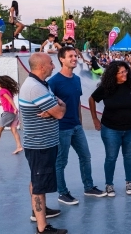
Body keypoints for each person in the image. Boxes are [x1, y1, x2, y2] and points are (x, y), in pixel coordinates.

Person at [47, 47, 107, 205]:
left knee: (85, 157)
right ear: (61, 59)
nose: (74, 58)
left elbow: (78, 102)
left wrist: (79, 121)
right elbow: (46, 105)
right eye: (70, 56)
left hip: (76, 126)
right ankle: (62, 192)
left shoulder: (76, 79)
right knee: (61, 161)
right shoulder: (53, 82)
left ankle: (88, 187)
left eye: (75, 56)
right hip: (61, 128)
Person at [19, 53, 67, 234]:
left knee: (36, 179)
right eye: (50, 63)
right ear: (41, 67)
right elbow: (61, 112)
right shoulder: (35, 88)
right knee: (39, 185)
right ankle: (42, 227)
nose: (53, 66)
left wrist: (57, 107)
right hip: (40, 145)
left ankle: (40, 210)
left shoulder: (41, 84)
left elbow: (60, 107)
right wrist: (57, 108)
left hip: (42, 144)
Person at [89, 61, 131, 197]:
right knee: (111, 157)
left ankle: (129, 182)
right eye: (121, 72)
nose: (124, 74)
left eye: (125, 71)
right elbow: (91, 99)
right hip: (110, 129)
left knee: (129, 155)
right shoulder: (106, 87)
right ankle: (109, 184)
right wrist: (95, 119)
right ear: (113, 74)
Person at [0, 76, 23, 154]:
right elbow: (7, 101)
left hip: (8, 113)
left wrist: (15, 108)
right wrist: (0, 104)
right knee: (14, 130)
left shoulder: (2, 91)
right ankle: (19, 146)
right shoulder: (7, 90)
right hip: (13, 113)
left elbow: (9, 100)